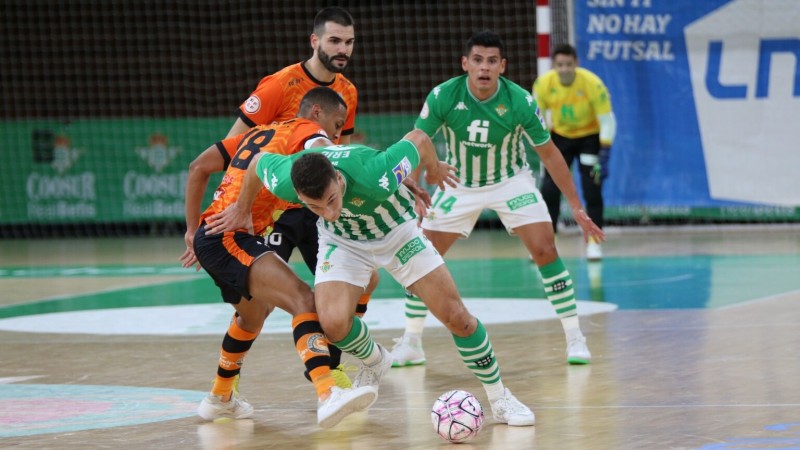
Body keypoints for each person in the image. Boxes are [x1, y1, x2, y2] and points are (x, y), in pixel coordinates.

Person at [205, 129, 538, 427]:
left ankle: (500, 398)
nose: (328, 211)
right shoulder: (287, 179)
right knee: (332, 325)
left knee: (458, 319)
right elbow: (257, 161)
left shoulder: (375, 173)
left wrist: (434, 170)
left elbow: (419, 139)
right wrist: (243, 209)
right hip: (344, 243)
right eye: (315, 207)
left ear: (337, 177)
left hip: (398, 234)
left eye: (331, 200)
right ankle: (376, 361)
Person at [390, 30, 605, 368]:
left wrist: (576, 205)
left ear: (502, 66)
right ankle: (412, 341)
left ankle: (575, 337)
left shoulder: (519, 100)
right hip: (457, 182)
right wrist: (414, 186)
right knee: (422, 256)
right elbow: (415, 142)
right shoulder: (443, 95)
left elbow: (550, 155)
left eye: (492, 61)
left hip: (510, 181)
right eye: (477, 60)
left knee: (545, 248)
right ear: (465, 64)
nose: (484, 68)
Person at [180, 6, 369, 383]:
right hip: (268, 208)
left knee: (352, 281)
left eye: (349, 42)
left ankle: (332, 370)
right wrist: (234, 207)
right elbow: (239, 149)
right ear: (315, 41)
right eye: (334, 40)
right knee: (259, 308)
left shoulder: (347, 92)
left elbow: (340, 155)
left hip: (315, 206)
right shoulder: (279, 84)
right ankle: (224, 389)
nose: (342, 49)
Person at [184, 87, 378, 429]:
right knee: (303, 298)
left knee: (251, 317)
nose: (336, 133)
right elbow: (328, 157)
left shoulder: (260, 133)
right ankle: (327, 392)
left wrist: (191, 230)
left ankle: (219, 397)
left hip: (216, 236)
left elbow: (198, 166)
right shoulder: (308, 131)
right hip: (230, 236)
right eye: (336, 124)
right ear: (316, 113)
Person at [533, 43, 616, 261]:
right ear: (554, 65)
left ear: (575, 64)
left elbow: (607, 120)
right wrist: (543, 145)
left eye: (568, 64)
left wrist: (604, 152)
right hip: (560, 138)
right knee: (549, 190)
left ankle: (593, 243)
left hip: (589, 138)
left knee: (591, 190)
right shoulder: (543, 84)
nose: (564, 69)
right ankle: (548, 243)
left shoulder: (592, 83)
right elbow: (537, 119)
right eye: (559, 65)